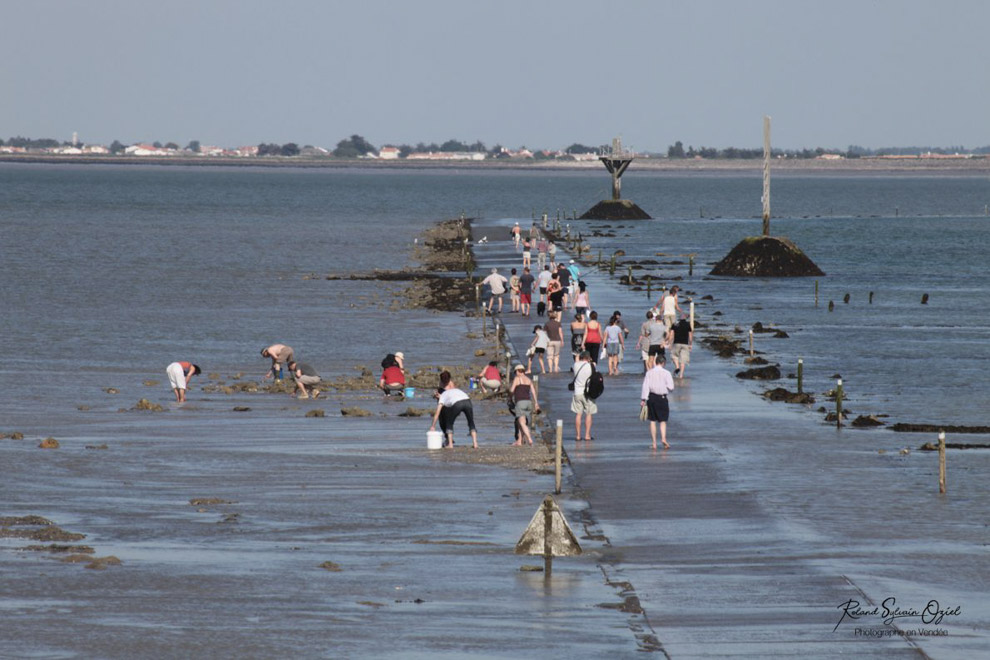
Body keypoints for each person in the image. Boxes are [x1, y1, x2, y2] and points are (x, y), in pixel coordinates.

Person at [429, 371, 478, 449]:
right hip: (467, 400)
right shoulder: (454, 389)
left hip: (457, 404)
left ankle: (450, 444)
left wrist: (433, 426)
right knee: (471, 423)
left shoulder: (443, 396)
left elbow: (437, 413)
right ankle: (475, 444)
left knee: (449, 423)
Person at [641, 354, 675, 449]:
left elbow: (645, 387)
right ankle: (663, 438)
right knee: (663, 421)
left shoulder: (649, 373)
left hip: (651, 398)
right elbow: (671, 387)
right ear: (663, 363)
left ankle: (654, 443)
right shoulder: (667, 373)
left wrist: (643, 399)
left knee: (652, 421)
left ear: (656, 362)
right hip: (662, 398)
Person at [509, 364, 540, 446]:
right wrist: (536, 403)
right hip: (528, 403)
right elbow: (533, 392)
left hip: (520, 402)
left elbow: (512, 390)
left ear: (519, 371)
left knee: (522, 422)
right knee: (520, 421)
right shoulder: (529, 380)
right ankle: (519, 440)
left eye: (516, 371)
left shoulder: (517, 379)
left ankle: (529, 438)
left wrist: (510, 397)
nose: (515, 373)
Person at [571, 351, 597, 441]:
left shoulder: (575, 365)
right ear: (589, 358)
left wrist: (578, 355)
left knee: (578, 414)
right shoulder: (591, 365)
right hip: (588, 392)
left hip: (577, 392)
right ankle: (587, 435)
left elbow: (576, 359)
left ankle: (578, 436)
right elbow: (594, 365)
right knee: (588, 413)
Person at [671, 313, 694, 379]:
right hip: (685, 344)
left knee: (674, 356)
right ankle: (681, 375)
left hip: (676, 343)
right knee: (683, 360)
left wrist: (670, 343)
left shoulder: (675, 324)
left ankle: (677, 367)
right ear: (685, 318)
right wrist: (690, 344)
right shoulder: (687, 324)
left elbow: (671, 334)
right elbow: (690, 336)